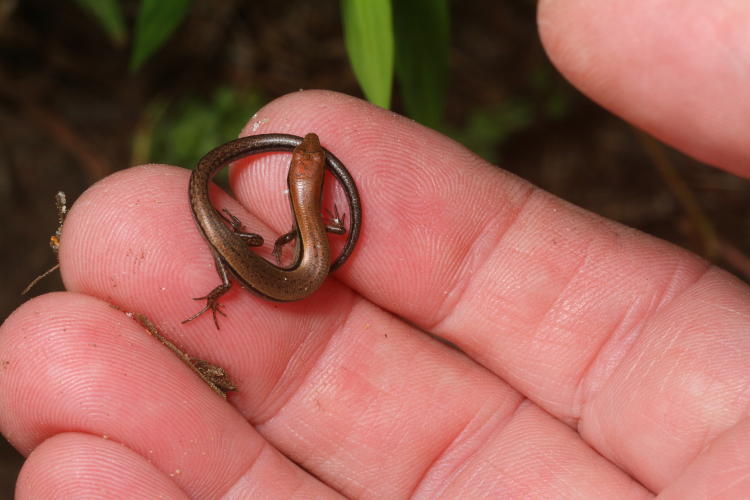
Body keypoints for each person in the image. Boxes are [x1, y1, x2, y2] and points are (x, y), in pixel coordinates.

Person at [2, 2, 749, 497]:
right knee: (220, 252)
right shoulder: (312, 222)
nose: (314, 159)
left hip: (271, 271)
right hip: (273, 269)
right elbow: (314, 225)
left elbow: (309, 228)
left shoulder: (303, 229)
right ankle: (218, 283)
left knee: (236, 256)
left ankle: (221, 282)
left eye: (312, 162)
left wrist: (270, 252)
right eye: (312, 164)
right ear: (315, 185)